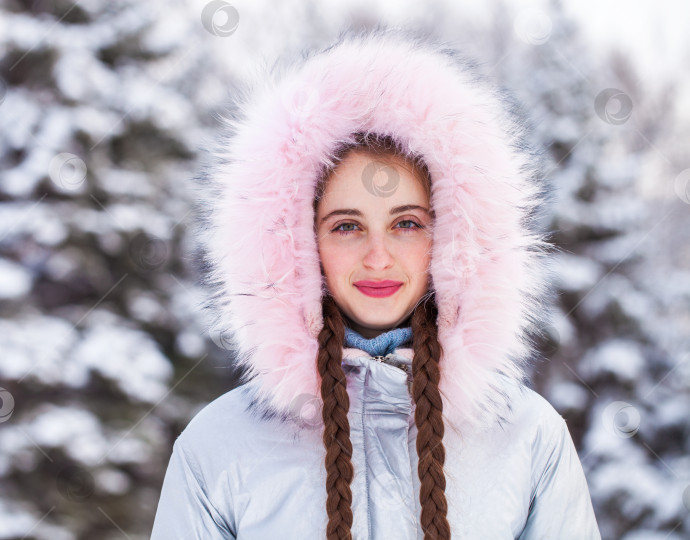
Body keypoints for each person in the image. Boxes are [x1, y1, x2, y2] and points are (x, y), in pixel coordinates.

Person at [150, 27, 602, 539]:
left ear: (452, 234)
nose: (378, 256)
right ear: (296, 242)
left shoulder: (527, 438)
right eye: (347, 226)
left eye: (406, 223)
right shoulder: (219, 447)